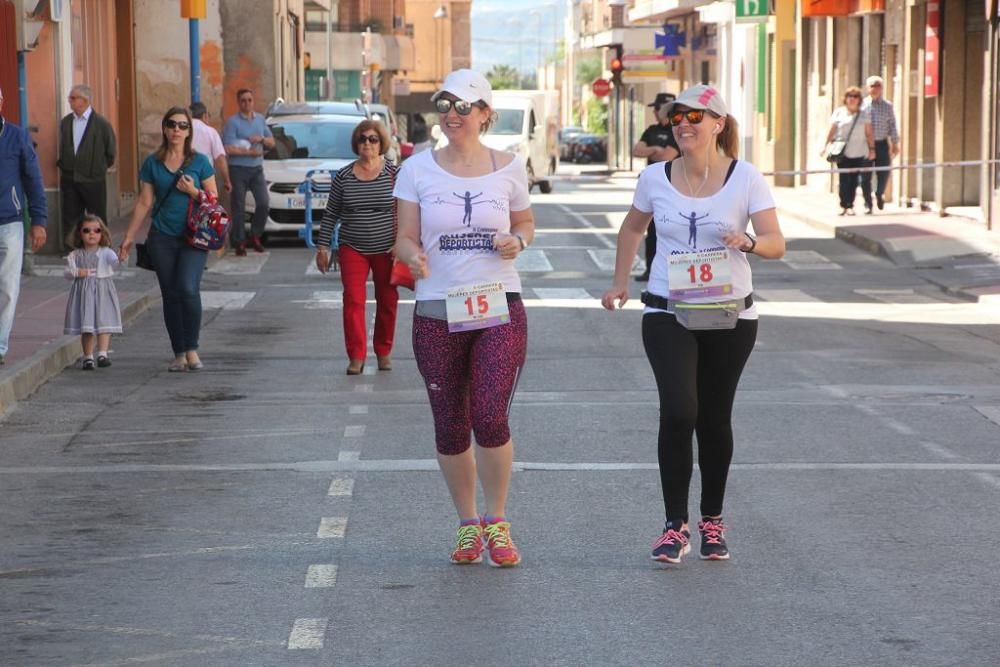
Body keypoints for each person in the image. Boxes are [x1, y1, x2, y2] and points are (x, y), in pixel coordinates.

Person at [601, 85, 785, 564]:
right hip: (667, 309)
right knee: (680, 410)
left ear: (718, 124)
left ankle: (712, 520)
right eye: (679, 116)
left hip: (731, 314)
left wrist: (745, 242)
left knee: (714, 416)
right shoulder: (654, 177)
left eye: (696, 117)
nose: (684, 124)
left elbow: (775, 243)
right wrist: (621, 282)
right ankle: (673, 526)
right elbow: (632, 227)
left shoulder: (745, 178)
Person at [394, 69, 535, 567]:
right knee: (450, 424)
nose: (452, 114)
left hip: (499, 304)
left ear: (485, 115)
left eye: (463, 106)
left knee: (490, 413)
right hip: (437, 307)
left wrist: (518, 241)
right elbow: (404, 234)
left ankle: (497, 521)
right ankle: (467, 524)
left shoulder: (509, 167)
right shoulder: (416, 169)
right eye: (445, 104)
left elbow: (524, 222)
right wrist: (412, 256)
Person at [119, 107, 218, 372]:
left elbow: (213, 199)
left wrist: (193, 191)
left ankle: (192, 348)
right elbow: (144, 201)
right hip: (161, 237)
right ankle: (179, 352)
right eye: (172, 124)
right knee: (171, 295)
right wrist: (129, 237)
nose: (177, 129)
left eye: (183, 125)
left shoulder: (200, 162)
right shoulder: (152, 163)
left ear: (189, 131)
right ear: (164, 129)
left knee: (188, 288)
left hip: (194, 236)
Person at [315, 120, 400, 375]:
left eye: (373, 139)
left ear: (381, 143)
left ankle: (383, 351)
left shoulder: (395, 174)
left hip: (388, 247)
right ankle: (356, 356)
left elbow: (407, 210)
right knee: (353, 300)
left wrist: (404, 242)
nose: (367, 144)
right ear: (356, 143)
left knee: (388, 300)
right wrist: (323, 247)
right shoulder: (343, 176)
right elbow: (331, 214)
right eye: (363, 139)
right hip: (353, 246)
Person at [0, 86, 48, 365]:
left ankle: (1, 346)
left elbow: (34, 179)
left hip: (10, 222)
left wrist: (39, 221)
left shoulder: (17, 136)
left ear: (2, 102)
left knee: (7, 287)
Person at [632, 92, 680, 282]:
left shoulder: (677, 131)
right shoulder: (651, 130)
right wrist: (654, 149)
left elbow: (667, 156)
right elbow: (637, 150)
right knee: (651, 230)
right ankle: (650, 269)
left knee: (674, 229)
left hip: (674, 186)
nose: (654, 112)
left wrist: (652, 152)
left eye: (657, 108)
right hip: (653, 187)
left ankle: (675, 270)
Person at [63, 214, 122, 369]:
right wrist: (77, 273)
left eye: (97, 230)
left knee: (104, 322)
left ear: (102, 233)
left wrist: (121, 258)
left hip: (103, 289)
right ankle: (88, 356)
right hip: (83, 292)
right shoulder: (75, 255)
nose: (92, 233)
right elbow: (67, 273)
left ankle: (103, 354)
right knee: (86, 324)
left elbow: (115, 264)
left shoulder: (106, 252)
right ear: (79, 234)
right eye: (87, 230)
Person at [57, 85, 116, 239]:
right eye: (70, 97)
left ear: (84, 100)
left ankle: (101, 247)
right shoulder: (66, 122)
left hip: (93, 179)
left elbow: (110, 153)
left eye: (73, 98)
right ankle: (72, 250)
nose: (69, 101)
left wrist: (97, 168)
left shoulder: (102, 124)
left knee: (97, 216)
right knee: (70, 216)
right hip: (70, 179)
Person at [223, 88, 274, 255]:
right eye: (243, 100)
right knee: (238, 206)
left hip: (256, 169)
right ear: (239, 102)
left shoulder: (260, 120)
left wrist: (261, 139)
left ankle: (255, 235)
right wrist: (249, 153)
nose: (247, 103)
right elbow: (228, 148)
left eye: (249, 100)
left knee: (264, 202)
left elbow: (271, 142)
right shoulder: (233, 122)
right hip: (238, 169)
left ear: (253, 101)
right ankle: (239, 241)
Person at [823, 86, 876, 216]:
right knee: (844, 179)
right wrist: (824, 146)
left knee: (853, 180)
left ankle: (850, 205)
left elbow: (869, 133)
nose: (852, 99)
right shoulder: (839, 112)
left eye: (855, 97)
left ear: (859, 100)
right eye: (849, 96)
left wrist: (872, 149)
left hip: (859, 152)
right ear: (845, 99)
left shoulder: (864, 115)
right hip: (842, 152)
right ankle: (843, 205)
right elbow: (832, 130)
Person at [861, 75, 900, 211]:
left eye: (878, 86)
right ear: (868, 88)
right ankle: (867, 204)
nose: (875, 89)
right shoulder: (862, 105)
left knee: (884, 172)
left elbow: (892, 125)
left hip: (882, 143)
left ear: (882, 88)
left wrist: (895, 142)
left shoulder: (887, 106)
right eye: (872, 86)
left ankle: (879, 193)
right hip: (865, 145)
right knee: (865, 176)